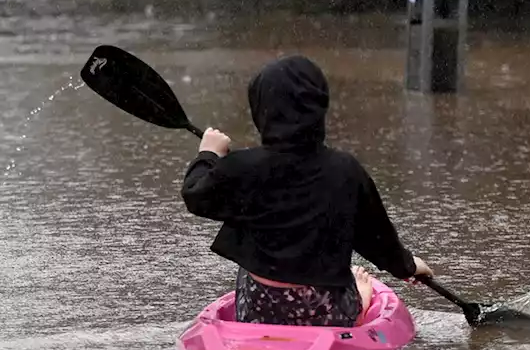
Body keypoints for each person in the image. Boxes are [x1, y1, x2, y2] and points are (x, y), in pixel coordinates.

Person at [180, 55, 434, 327]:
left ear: (261, 110)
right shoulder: (346, 170)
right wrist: (407, 266)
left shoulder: (243, 167)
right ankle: (359, 299)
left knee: (257, 276)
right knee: (353, 280)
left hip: (259, 308)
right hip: (326, 310)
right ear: (319, 106)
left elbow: (195, 195)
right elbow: (375, 238)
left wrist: (209, 154)